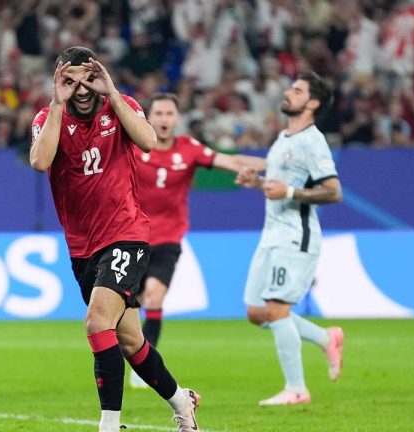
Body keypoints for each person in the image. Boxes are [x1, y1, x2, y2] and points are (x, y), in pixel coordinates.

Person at [30, 46, 199, 432]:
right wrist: (58, 103)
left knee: (96, 323)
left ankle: (109, 425)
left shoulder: (120, 108)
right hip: (82, 248)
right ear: (59, 83)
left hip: (126, 234)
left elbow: (148, 141)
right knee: (129, 340)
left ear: (99, 77)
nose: (82, 89)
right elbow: (41, 162)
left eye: (88, 79)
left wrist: (114, 92)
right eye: (70, 81)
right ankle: (182, 402)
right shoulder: (46, 117)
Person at [130, 93, 266, 388]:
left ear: (177, 119)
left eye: (169, 114)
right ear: (148, 118)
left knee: (154, 295)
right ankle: (135, 350)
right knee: (130, 304)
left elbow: (225, 160)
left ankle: (146, 364)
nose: (164, 119)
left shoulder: (188, 148)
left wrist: (262, 165)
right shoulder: (133, 146)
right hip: (132, 235)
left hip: (168, 237)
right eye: (159, 113)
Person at [235, 71, 344, 405]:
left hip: (296, 237)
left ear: (312, 103)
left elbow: (333, 192)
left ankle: (296, 389)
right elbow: (278, 186)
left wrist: (291, 191)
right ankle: (326, 338)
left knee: (278, 310)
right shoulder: (283, 138)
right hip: (271, 235)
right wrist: (256, 182)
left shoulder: (313, 141)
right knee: (257, 312)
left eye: (297, 90)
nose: (288, 92)